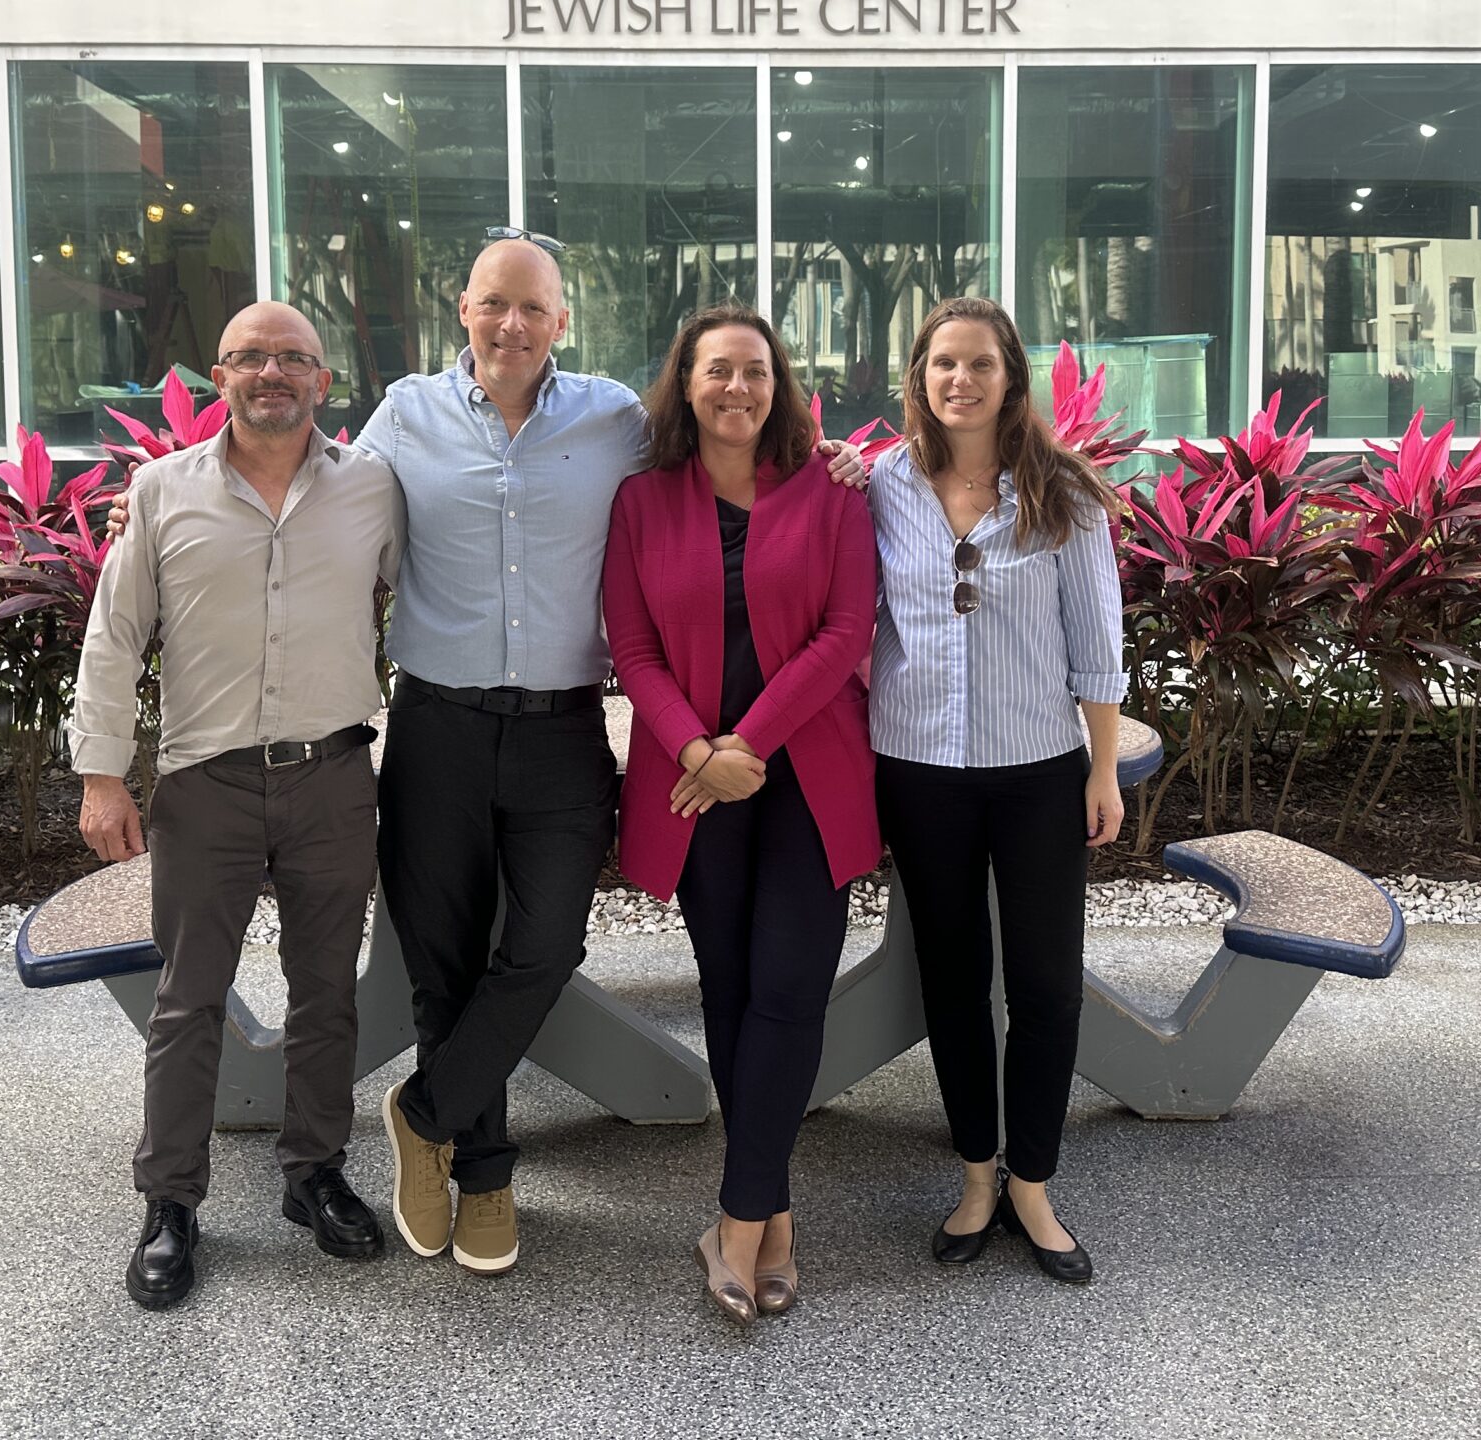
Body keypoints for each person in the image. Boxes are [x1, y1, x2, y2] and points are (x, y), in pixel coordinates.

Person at [348, 234, 873, 1276]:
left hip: (558, 729)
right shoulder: (403, 414)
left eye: (531, 308)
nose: (510, 325)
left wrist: (839, 458)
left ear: (561, 321)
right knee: (443, 960)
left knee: (545, 946)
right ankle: (485, 1174)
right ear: (465, 308)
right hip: (438, 722)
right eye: (493, 304)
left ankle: (425, 1110)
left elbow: (765, 501)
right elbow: (327, 516)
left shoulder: (616, 424)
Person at [71, 300, 404, 1312]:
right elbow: (115, 636)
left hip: (332, 777)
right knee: (188, 999)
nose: (272, 373)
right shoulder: (160, 491)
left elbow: (439, 585)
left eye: (292, 358)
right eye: (250, 357)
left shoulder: (375, 491)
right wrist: (98, 773)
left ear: (323, 382)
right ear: (219, 376)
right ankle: (170, 1202)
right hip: (205, 783)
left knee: (326, 993)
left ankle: (314, 1174)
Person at [602, 306, 879, 1326]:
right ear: (686, 383)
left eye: (755, 371)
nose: (736, 388)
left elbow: (847, 630)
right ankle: (777, 1211)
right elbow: (630, 650)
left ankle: (739, 1214)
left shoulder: (832, 491)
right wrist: (693, 752)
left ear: (779, 384)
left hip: (808, 771)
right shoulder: (640, 502)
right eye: (716, 370)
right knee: (728, 989)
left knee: (791, 990)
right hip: (691, 781)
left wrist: (744, 747)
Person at [866, 295, 1126, 1287]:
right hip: (919, 769)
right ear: (920, 376)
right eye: (942, 364)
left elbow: (1096, 646)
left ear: (1011, 377)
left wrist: (1101, 769)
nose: (959, 381)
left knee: (1048, 985)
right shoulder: (882, 484)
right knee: (952, 981)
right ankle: (977, 1173)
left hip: (1034, 773)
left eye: (979, 364)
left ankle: (1033, 1183)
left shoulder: (1061, 494)